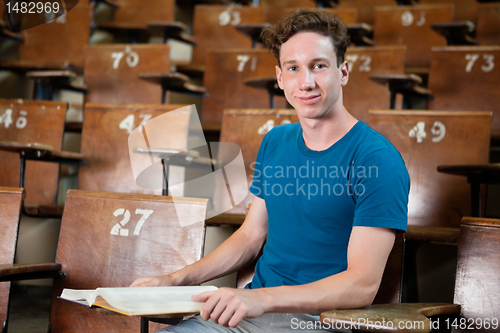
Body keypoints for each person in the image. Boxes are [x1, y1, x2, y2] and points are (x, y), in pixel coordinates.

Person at [131, 8, 410, 332]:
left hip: (324, 321)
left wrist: (264, 300)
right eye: (294, 68)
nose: (306, 82)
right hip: (250, 312)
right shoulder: (275, 141)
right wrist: (175, 279)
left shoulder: (377, 159)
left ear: (343, 72)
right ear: (280, 78)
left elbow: (362, 284)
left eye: (318, 66)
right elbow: (250, 236)